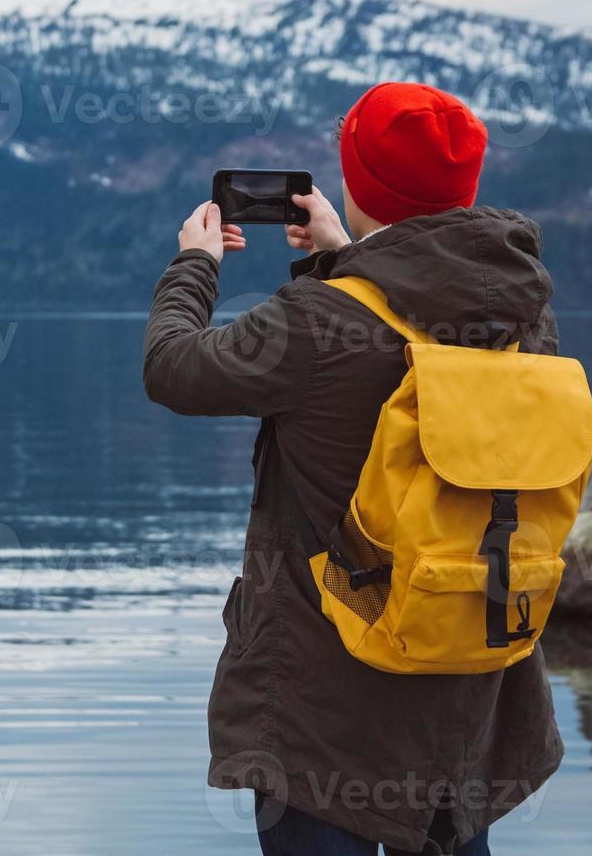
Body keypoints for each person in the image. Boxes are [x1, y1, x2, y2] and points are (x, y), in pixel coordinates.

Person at [143, 82, 563, 855]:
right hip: (465, 670)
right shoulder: (524, 315)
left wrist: (195, 266)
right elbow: (403, 342)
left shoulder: (316, 321)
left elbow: (173, 368)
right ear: (465, 186)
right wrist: (350, 255)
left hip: (325, 707)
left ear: (356, 183)